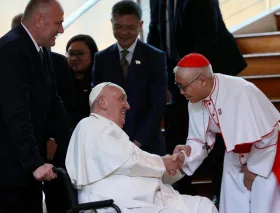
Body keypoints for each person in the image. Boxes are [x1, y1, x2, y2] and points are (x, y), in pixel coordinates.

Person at [66, 82, 218, 213]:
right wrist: (164, 162)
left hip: (143, 201)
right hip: (114, 205)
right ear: (103, 102)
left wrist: (178, 163)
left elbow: (144, 168)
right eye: (122, 99)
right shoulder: (91, 125)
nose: (128, 105)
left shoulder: (114, 136)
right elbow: (131, 161)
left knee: (204, 207)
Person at [172, 53, 280, 213]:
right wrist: (185, 157)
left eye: (183, 86)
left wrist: (254, 169)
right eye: (178, 86)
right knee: (233, 204)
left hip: (266, 154)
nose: (181, 92)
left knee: (264, 204)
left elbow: (268, 134)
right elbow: (200, 141)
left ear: (201, 80)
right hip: (234, 154)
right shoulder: (194, 99)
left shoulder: (242, 90)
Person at [0, 1, 72, 212]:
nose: (61, 30)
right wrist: (34, 163)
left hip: (29, 171)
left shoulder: (41, 49)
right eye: (58, 23)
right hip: (10, 172)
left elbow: (53, 101)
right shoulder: (10, 50)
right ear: (39, 20)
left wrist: (75, 140)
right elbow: (16, 113)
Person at [92, 0, 168, 155]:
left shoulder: (155, 57)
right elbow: (97, 103)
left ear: (140, 25)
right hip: (111, 145)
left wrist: (137, 142)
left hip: (147, 145)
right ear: (112, 23)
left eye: (130, 28)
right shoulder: (101, 58)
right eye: (118, 27)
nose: (124, 33)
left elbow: (158, 105)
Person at [66, 34, 99, 127]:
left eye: (80, 53)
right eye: (71, 53)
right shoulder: (60, 80)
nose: (74, 58)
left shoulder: (99, 82)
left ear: (92, 54)